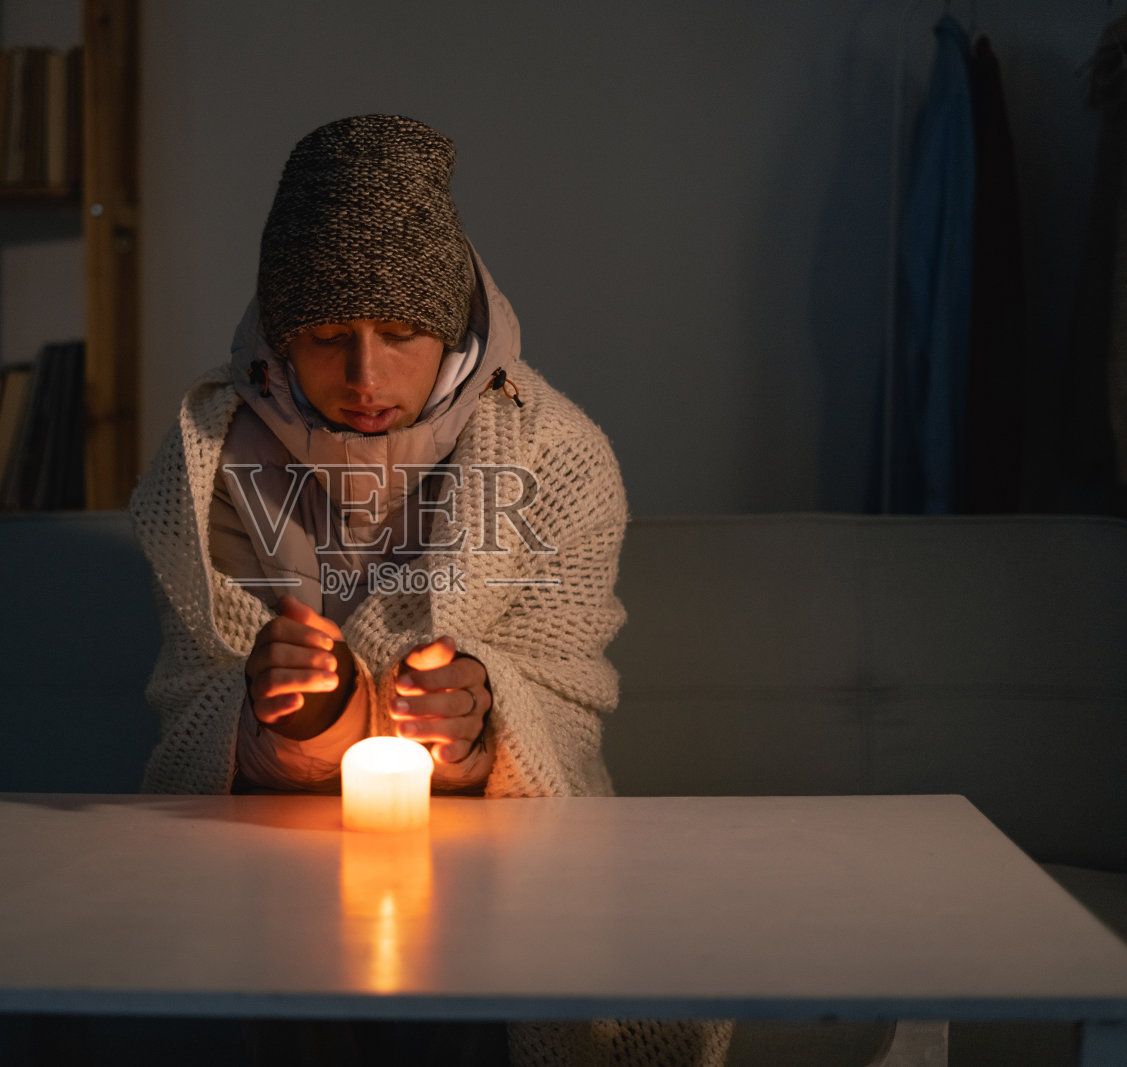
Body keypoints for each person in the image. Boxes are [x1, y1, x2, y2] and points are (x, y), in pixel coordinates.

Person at [129, 114, 730, 1067]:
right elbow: (191, 702)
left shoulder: (553, 454)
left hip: (491, 867)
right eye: (327, 336)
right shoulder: (208, 462)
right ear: (281, 338)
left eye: (402, 335)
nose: (366, 376)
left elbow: (566, 692)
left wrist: (482, 729)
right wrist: (292, 719)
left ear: (451, 328)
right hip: (263, 867)